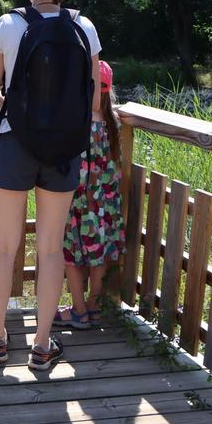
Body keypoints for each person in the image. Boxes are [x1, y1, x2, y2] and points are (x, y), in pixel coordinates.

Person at [0, 0, 102, 370]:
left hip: (15, 144)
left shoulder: (8, 24)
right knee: (50, 249)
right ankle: (42, 345)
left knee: (4, 245)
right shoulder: (84, 27)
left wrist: (20, 114)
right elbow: (93, 102)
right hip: (64, 150)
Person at [54, 61, 125, 329]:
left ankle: (78, 310)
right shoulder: (113, 122)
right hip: (105, 204)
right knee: (99, 253)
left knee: (70, 254)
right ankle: (94, 307)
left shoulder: (75, 121)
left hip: (77, 202)